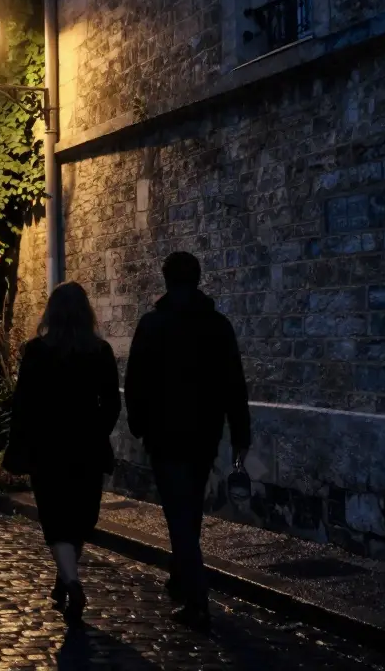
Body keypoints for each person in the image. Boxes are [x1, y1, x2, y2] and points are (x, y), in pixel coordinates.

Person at [123, 252, 251, 632]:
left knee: (179, 514)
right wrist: (240, 432)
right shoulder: (217, 326)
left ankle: (196, 598)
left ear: (166, 280)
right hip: (203, 435)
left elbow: (136, 380)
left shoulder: (152, 325)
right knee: (188, 509)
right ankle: (181, 579)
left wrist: (139, 423)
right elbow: (234, 384)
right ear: (197, 279)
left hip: (165, 435)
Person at [3, 281, 121, 625]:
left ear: (50, 313)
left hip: (47, 449)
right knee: (81, 518)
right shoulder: (100, 352)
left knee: (56, 519)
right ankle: (67, 578)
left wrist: (17, 448)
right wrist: (97, 430)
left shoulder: (36, 352)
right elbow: (112, 403)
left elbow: (22, 405)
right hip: (86, 448)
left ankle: (69, 580)